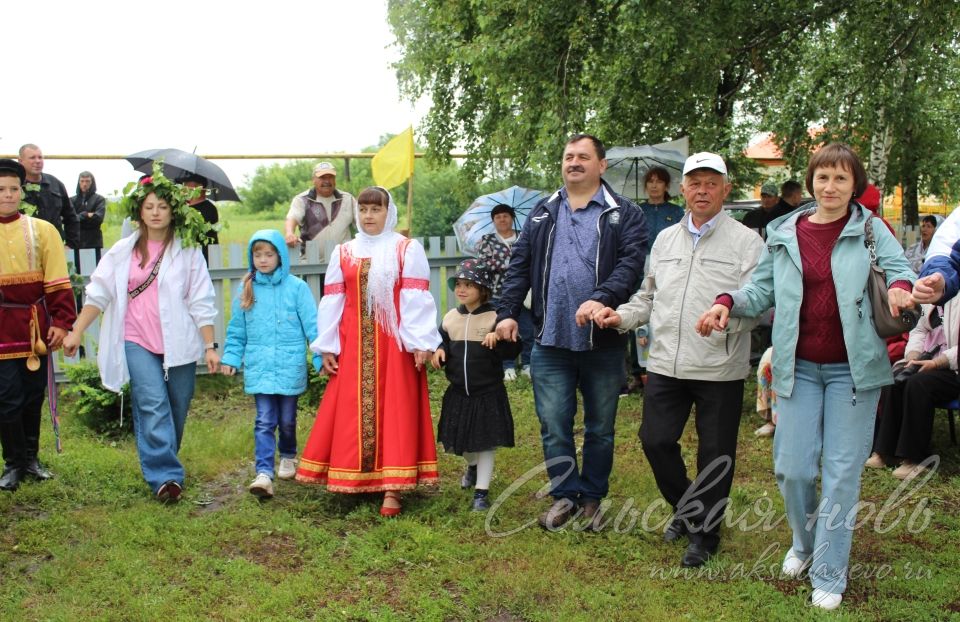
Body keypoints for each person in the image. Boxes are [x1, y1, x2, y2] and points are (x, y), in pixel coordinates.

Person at [696, 143, 916, 610]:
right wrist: (727, 302)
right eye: (822, 178)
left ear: (855, 185)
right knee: (792, 468)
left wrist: (900, 292)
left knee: (840, 475)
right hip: (798, 368)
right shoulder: (784, 232)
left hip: (854, 373)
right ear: (810, 182)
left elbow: (899, 273)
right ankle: (804, 542)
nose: (830, 187)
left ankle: (830, 573)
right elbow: (761, 289)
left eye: (840, 178)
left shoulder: (872, 229)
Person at [593, 151, 764, 567]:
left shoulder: (747, 242)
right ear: (682, 189)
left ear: (725, 189)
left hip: (718, 366)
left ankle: (705, 535)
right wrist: (621, 317)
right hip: (666, 361)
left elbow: (758, 306)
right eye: (695, 183)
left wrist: (728, 321)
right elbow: (648, 297)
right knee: (654, 441)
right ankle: (689, 510)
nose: (702, 190)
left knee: (715, 454)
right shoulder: (666, 239)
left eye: (711, 183)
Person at [495, 134, 648, 531]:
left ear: (602, 165)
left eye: (583, 156)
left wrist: (601, 297)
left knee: (600, 426)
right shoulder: (544, 212)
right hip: (549, 340)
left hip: (603, 341)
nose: (574, 163)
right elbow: (520, 266)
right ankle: (565, 493)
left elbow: (631, 265)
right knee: (553, 422)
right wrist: (508, 312)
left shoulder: (624, 213)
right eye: (568, 157)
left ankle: (592, 499)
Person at [63, 165, 220, 503]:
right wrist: (76, 331)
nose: (156, 213)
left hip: (178, 341)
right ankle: (165, 477)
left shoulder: (188, 251)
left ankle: (163, 459)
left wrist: (210, 344)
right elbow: (99, 292)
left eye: (162, 207)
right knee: (152, 403)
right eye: (149, 207)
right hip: (136, 339)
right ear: (139, 211)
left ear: (173, 211)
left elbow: (201, 299)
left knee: (177, 405)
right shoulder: (122, 252)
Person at [295, 186, 441, 517]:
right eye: (362, 210)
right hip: (354, 345)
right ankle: (354, 478)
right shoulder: (344, 252)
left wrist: (420, 342)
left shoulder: (405, 248)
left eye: (375, 209)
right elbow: (333, 299)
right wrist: (328, 345)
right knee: (351, 411)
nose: (368, 216)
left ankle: (393, 488)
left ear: (388, 213)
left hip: (394, 346)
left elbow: (415, 298)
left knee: (396, 412)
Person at [220, 230, 318, 499]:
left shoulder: (297, 288)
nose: (263, 260)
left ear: (280, 256)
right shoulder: (247, 288)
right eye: (257, 254)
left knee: (286, 420)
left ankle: (288, 455)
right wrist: (230, 357)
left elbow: (313, 325)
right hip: (259, 366)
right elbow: (237, 329)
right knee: (264, 420)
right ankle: (264, 473)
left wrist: (320, 355)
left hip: (289, 365)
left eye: (269, 254)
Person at [0, 159, 77, 491]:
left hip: (35, 328)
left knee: (33, 395)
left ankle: (31, 459)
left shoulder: (44, 231)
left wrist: (61, 322)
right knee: (7, 397)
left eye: (13, 189)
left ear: (22, 191)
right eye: (0, 190)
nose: (7, 195)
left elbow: (58, 282)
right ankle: (13, 463)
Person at [432, 259, 520, 511]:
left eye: (469, 285)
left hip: (487, 393)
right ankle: (471, 466)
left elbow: (513, 349)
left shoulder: (496, 317)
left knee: (485, 443)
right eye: (459, 284)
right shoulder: (450, 318)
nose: (461, 289)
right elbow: (442, 341)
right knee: (463, 445)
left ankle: (481, 493)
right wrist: (439, 349)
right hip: (459, 393)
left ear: (483, 290)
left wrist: (499, 337)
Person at [866, 299, 955, 480]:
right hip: (927, 360)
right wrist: (912, 357)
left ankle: (916, 458)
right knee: (894, 378)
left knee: (918, 384)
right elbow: (918, 330)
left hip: (952, 367)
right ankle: (885, 451)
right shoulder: (934, 296)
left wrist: (937, 363)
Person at [631, 166, 685, 391]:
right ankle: (637, 371)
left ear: (666, 186)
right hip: (639, 265)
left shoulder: (677, 211)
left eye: (659, 181)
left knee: (665, 313)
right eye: (650, 181)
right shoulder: (636, 211)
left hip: (668, 266)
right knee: (638, 314)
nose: (654, 185)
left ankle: (663, 367)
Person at [475, 203, 533, 380]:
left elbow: (532, 258)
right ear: (493, 221)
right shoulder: (487, 240)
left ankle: (527, 364)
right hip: (498, 293)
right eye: (498, 217)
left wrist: (510, 263)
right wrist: (515, 263)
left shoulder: (524, 237)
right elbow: (485, 263)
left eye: (505, 216)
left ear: (512, 218)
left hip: (524, 292)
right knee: (502, 330)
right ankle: (507, 366)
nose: (502, 219)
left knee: (528, 330)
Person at [284, 162, 356, 258]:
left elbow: (361, 221)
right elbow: (292, 218)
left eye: (330, 177)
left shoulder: (348, 199)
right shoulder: (302, 200)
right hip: (311, 263)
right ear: (313, 180)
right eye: (322, 177)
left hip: (343, 261)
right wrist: (289, 233)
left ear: (335, 179)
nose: (327, 181)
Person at [18, 144, 80, 249]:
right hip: (23, 249)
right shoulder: (14, 186)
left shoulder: (55, 184)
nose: (37, 161)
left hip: (53, 248)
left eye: (40, 157)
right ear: (20, 161)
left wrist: (70, 245)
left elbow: (71, 218)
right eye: (32, 158)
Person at [178, 174, 220, 264]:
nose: (184, 188)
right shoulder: (183, 207)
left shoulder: (209, 208)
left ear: (199, 187)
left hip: (205, 257)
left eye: (187, 185)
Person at [70, 171, 106, 263]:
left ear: (92, 182)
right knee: (76, 271)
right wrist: (86, 214)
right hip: (77, 241)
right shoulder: (72, 200)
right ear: (79, 182)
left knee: (95, 269)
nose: (84, 184)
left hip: (94, 241)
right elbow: (70, 219)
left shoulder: (99, 199)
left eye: (87, 181)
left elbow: (98, 218)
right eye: (82, 181)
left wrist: (79, 217)